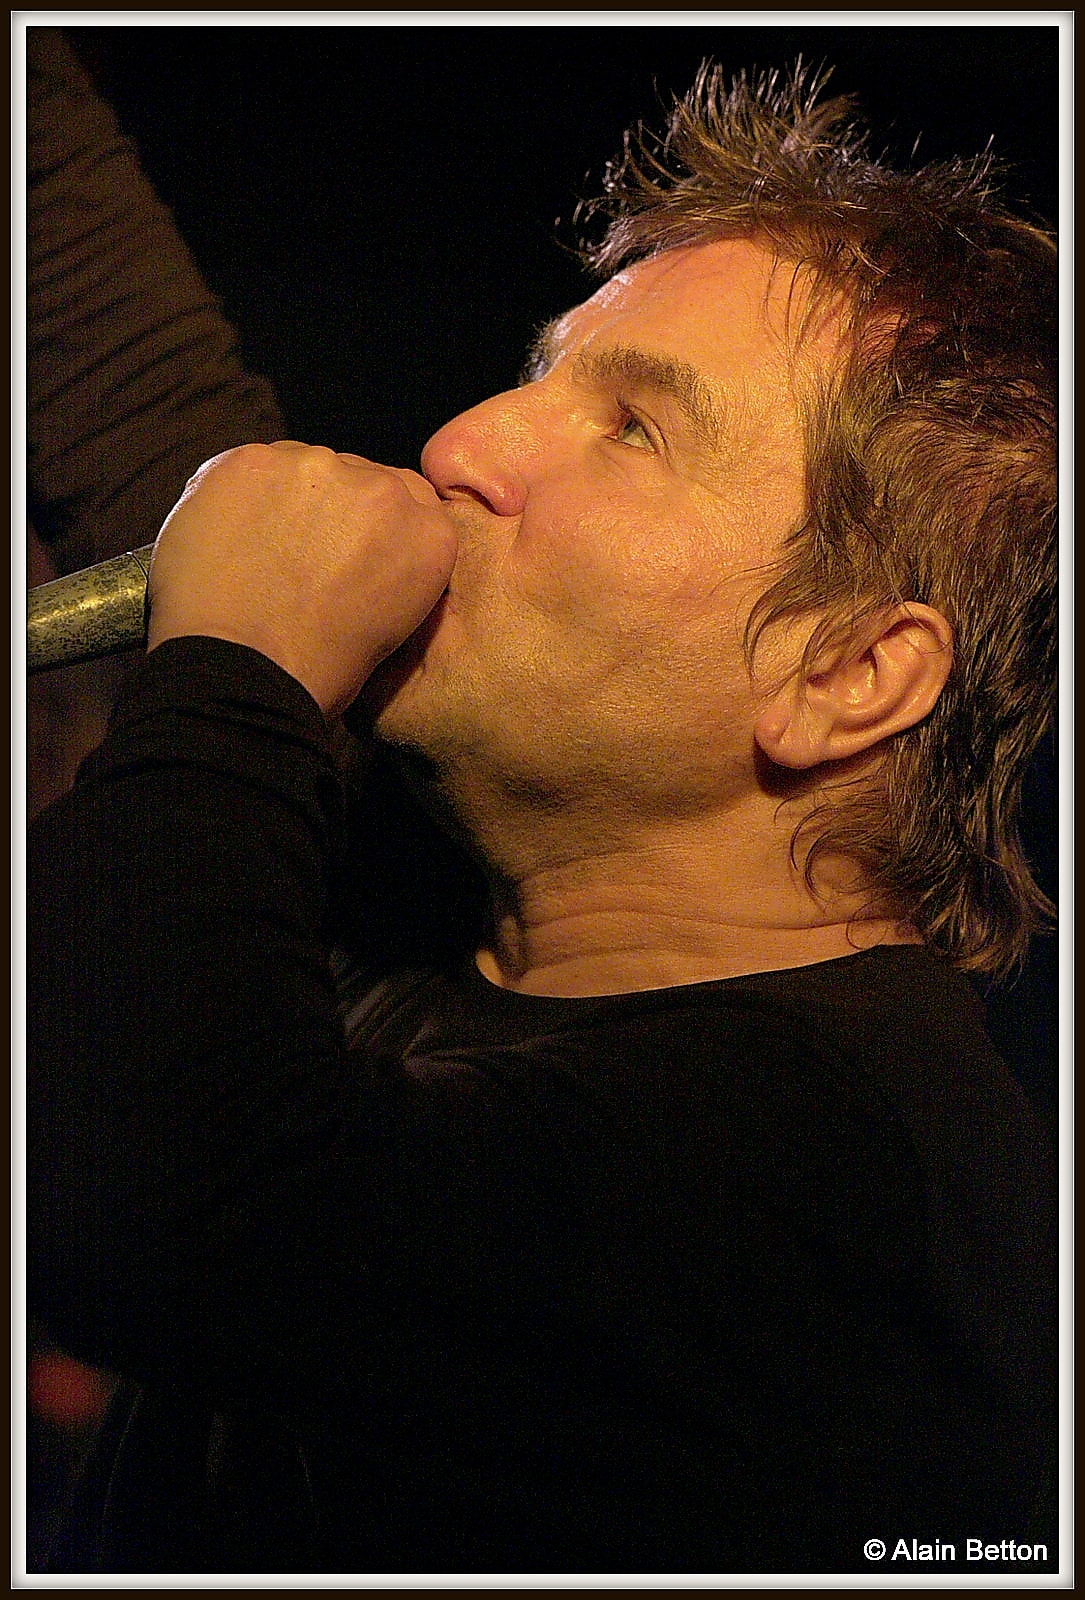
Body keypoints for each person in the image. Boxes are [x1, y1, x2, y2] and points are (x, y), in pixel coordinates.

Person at [28, 64, 1057, 1575]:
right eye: (537, 379)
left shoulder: (840, 1184)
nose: (462, 443)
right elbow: (124, 390)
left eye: (630, 428)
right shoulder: (472, 939)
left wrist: (237, 673)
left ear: (847, 672)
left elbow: (147, 1193)